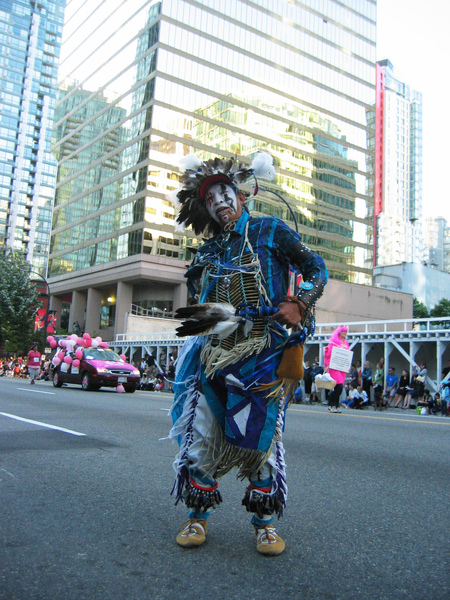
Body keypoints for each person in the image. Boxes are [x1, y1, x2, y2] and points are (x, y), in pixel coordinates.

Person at [167, 152, 328, 556]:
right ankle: (197, 516)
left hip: (264, 355)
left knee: (261, 441)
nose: (219, 202)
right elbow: (197, 301)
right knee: (202, 434)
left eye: (224, 193)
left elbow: (316, 268)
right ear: (204, 208)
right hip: (216, 356)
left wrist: (300, 303)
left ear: (241, 193)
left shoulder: (270, 231)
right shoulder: (206, 252)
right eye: (210, 199)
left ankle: (265, 524)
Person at [323, 325, 350, 414]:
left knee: (339, 387)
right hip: (334, 366)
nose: (344, 333)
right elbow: (328, 353)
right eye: (343, 331)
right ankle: (331, 403)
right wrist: (327, 364)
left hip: (342, 367)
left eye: (346, 332)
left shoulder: (346, 343)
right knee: (339, 386)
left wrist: (347, 365)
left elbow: (348, 354)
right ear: (339, 332)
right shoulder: (334, 342)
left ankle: (335, 405)